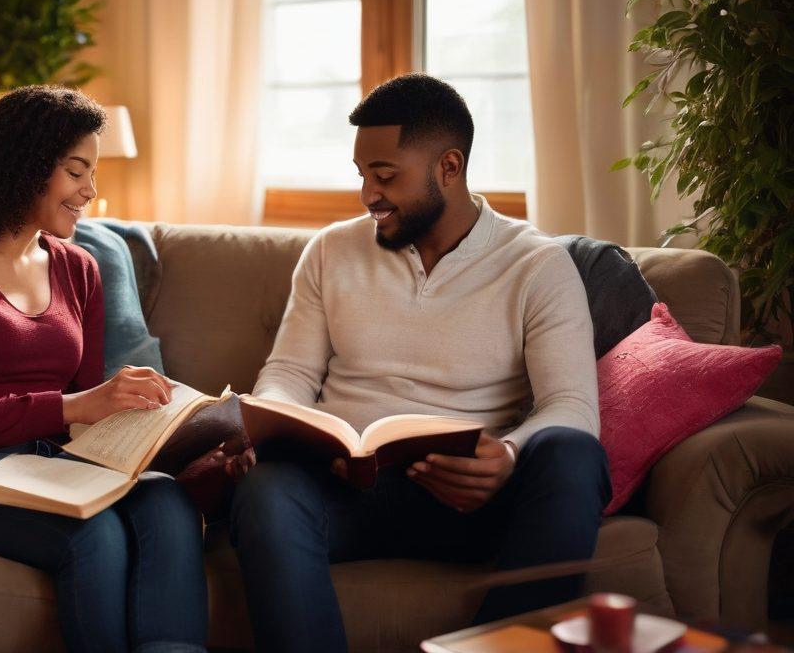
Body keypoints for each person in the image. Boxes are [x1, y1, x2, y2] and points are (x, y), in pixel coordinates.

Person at [226, 74, 610, 652]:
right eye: (362, 175)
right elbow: (291, 374)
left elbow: (571, 405)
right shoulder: (330, 250)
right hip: (345, 489)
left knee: (574, 455)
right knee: (266, 486)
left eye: (385, 176)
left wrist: (507, 455)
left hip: (470, 503)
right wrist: (276, 422)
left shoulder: (537, 265)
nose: (368, 195)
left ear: (449, 167)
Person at [0, 85, 208, 653]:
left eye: (92, 174)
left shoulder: (80, 268)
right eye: (76, 171)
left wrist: (172, 437)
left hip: (50, 462)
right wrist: (74, 406)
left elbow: (84, 414)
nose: (90, 191)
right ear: (23, 166)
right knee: (91, 530)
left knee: (166, 501)